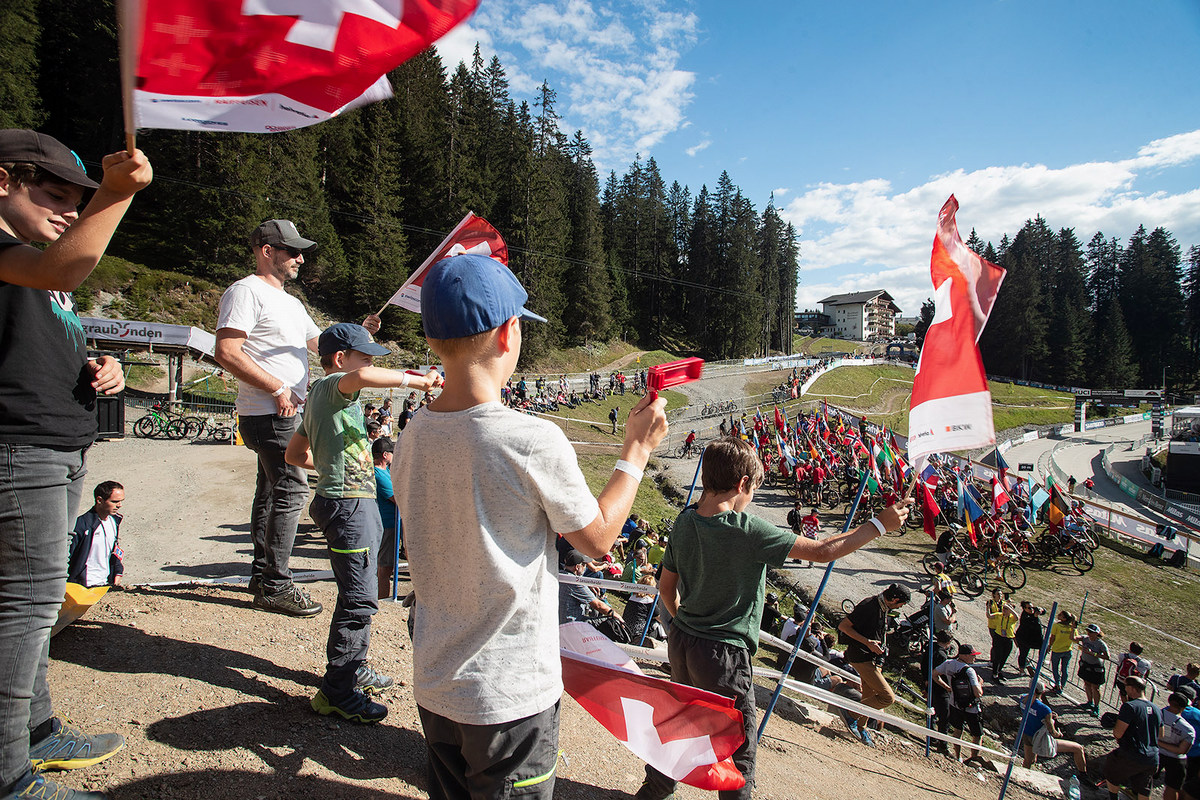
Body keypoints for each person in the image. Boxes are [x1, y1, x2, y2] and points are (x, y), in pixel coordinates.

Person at [391, 253, 668, 800]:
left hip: (435, 680)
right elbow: (596, 540)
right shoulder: (529, 439)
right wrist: (634, 452)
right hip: (509, 693)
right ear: (507, 333)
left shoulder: (411, 435)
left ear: (432, 341)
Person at [1, 128, 151, 800]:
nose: (69, 210)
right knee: (24, 610)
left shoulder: (32, 258)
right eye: (53, 194)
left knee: (32, 606)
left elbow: (50, 329)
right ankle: (10, 778)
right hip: (19, 449)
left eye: (78, 200)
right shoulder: (24, 257)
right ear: (4, 179)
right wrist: (113, 197)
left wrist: (101, 368)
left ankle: (36, 731)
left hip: (58, 447)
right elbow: (62, 269)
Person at [636, 437, 910, 799]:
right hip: (725, 655)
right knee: (739, 749)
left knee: (677, 725)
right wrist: (879, 523)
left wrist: (687, 625)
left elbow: (666, 589)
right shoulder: (747, 529)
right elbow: (823, 551)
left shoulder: (685, 521)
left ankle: (653, 792)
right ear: (743, 484)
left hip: (682, 643)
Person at [217, 219, 379, 617]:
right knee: (291, 491)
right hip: (271, 410)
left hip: (280, 410)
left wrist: (360, 333)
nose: (301, 258)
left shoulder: (290, 303)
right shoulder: (245, 291)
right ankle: (275, 584)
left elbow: (321, 344)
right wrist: (277, 388)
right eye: (293, 251)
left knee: (271, 491)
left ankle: (263, 575)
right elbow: (227, 351)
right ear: (266, 250)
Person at [284, 324, 441, 723]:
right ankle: (338, 692)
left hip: (343, 500)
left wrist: (332, 468)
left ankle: (353, 669)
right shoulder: (335, 387)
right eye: (365, 356)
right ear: (339, 360)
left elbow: (293, 454)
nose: (371, 364)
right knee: (358, 600)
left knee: (357, 591)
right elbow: (363, 377)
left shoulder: (324, 400)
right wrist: (417, 380)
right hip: (350, 507)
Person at [838, 583, 913, 745]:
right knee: (887, 697)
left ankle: (860, 726)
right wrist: (867, 643)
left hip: (873, 658)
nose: (901, 607)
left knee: (870, 696)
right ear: (894, 599)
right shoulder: (869, 606)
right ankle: (851, 713)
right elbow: (843, 626)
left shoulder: (883, 608)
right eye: (902, 603)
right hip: (861, 656)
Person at [1020, 682, 1094, 787]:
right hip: (1041, 738)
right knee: (1078, 748)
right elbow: (1052, 732)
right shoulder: (1045, 709)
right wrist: (1059, 734)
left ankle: (1022, 776)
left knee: (1029, 760)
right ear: (1043, 691)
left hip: (1027, 733)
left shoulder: (1023, 699)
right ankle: (1083, 775)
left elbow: (1033, 711)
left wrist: (1048, 716)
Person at [1104, 676, 1162, 800]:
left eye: (1126, 687)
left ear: (1131, 688)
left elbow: (1118, 733)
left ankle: (1113, 798)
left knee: (1111, 771)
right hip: (1153, 757)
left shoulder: (1129, 707)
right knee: (1144, 788)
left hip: (1132, 753)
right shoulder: (1157, 709)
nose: (1125, 689)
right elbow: (1161, 735)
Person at [66, 481, 126, 588]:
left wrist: (118, 570)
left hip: (105, 584)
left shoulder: (114, 521)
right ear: (99, 500)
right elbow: (67, 555)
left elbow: (114, 549)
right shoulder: (81, 525)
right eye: (115, 501)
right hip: (83, 586)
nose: (119, 505)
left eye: (121, 501)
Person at [933, 643, 985, 765]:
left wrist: (947, 687)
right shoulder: (970, 671)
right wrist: (980, 683)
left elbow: (934, 674)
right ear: (964, 656)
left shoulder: (948, 664)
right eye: (972, 655)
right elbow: (978, 693)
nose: (974, 658)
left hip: (955, 704)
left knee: (957, 731)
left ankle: (958, 757)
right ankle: (974, 760)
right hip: (972, 707)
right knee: (977, 735)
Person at [372, 437, 399, 599]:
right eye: (392, 453)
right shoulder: (378, 474)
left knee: (386, 566)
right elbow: (397, 497)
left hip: (392, 523)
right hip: (387, 524)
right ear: (385, 455)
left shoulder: (385, 471)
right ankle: (381, 600)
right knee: (385, 568)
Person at [559, 550, 617, 623]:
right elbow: (598, 605)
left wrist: (586, 585)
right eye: (584, 565)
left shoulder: (559, 574)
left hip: (557, 619)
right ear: (577, 567)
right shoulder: (576, 583)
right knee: (608, 622)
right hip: (573, 622)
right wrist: (617, 616)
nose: (585, 567)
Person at [1161, 692, 1197, 800]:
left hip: (1155, 752)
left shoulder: (1156, 714)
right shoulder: (1188, 730)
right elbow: (1181, 750)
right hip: (1176, 760)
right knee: (1172, 787)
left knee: (1145, 781)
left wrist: (1158, 743)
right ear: (1184, 707)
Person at [1077, 623, 1110, 716]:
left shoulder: (1101, 644)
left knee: (1095, 688)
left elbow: (1107, 656)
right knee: (1087, 684)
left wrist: (1094, 654)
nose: (1089, 633)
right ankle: (1089, 702)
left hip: (1096, 668)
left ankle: (1096, 706)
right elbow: (1073, 638)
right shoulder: (1085, 639)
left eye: (1091, 632)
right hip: (1085, 665)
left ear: (1097, 633)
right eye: (1088, 631)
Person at [987, 590, 1019, 682]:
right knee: (998, 656)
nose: (1004, 610)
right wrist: (988, 608)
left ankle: (999, 671)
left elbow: (1017, 616)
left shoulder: (1012, 618)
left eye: (1006, 609)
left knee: (1005, 656)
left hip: (1008, 638)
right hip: (998, 637)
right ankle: (994, 674)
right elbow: (989, 616)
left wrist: (1010, 608)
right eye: (1003, 609)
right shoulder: (999, 615)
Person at [1048, 610, 1078, 694]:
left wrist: (1050, 646)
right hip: (1068, 650)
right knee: (1065, 669)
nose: (1058, 615)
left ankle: (1058, 684)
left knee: (1055, 668)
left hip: (1057, 650)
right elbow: (1075, 638)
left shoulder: (1056, 626)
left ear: (1064, 618)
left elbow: (1052, 637)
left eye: (1060, 615)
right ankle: (1062, 685)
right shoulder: (1072, 628)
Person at [1014, 601, 1045, 676]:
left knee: (1043, 647)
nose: (1031, 609)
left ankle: (1041, 661)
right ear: (1024, 609)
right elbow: (1029, 624)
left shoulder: (1033, 612)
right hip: (1024, 638)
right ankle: (1021, 669)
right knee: (1023, 654)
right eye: (1029, 608)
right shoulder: (1025, 616)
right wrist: (1034, 616)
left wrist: (1041, 610)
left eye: (1032, 607)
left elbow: (1044, 611)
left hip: (1034, 638)